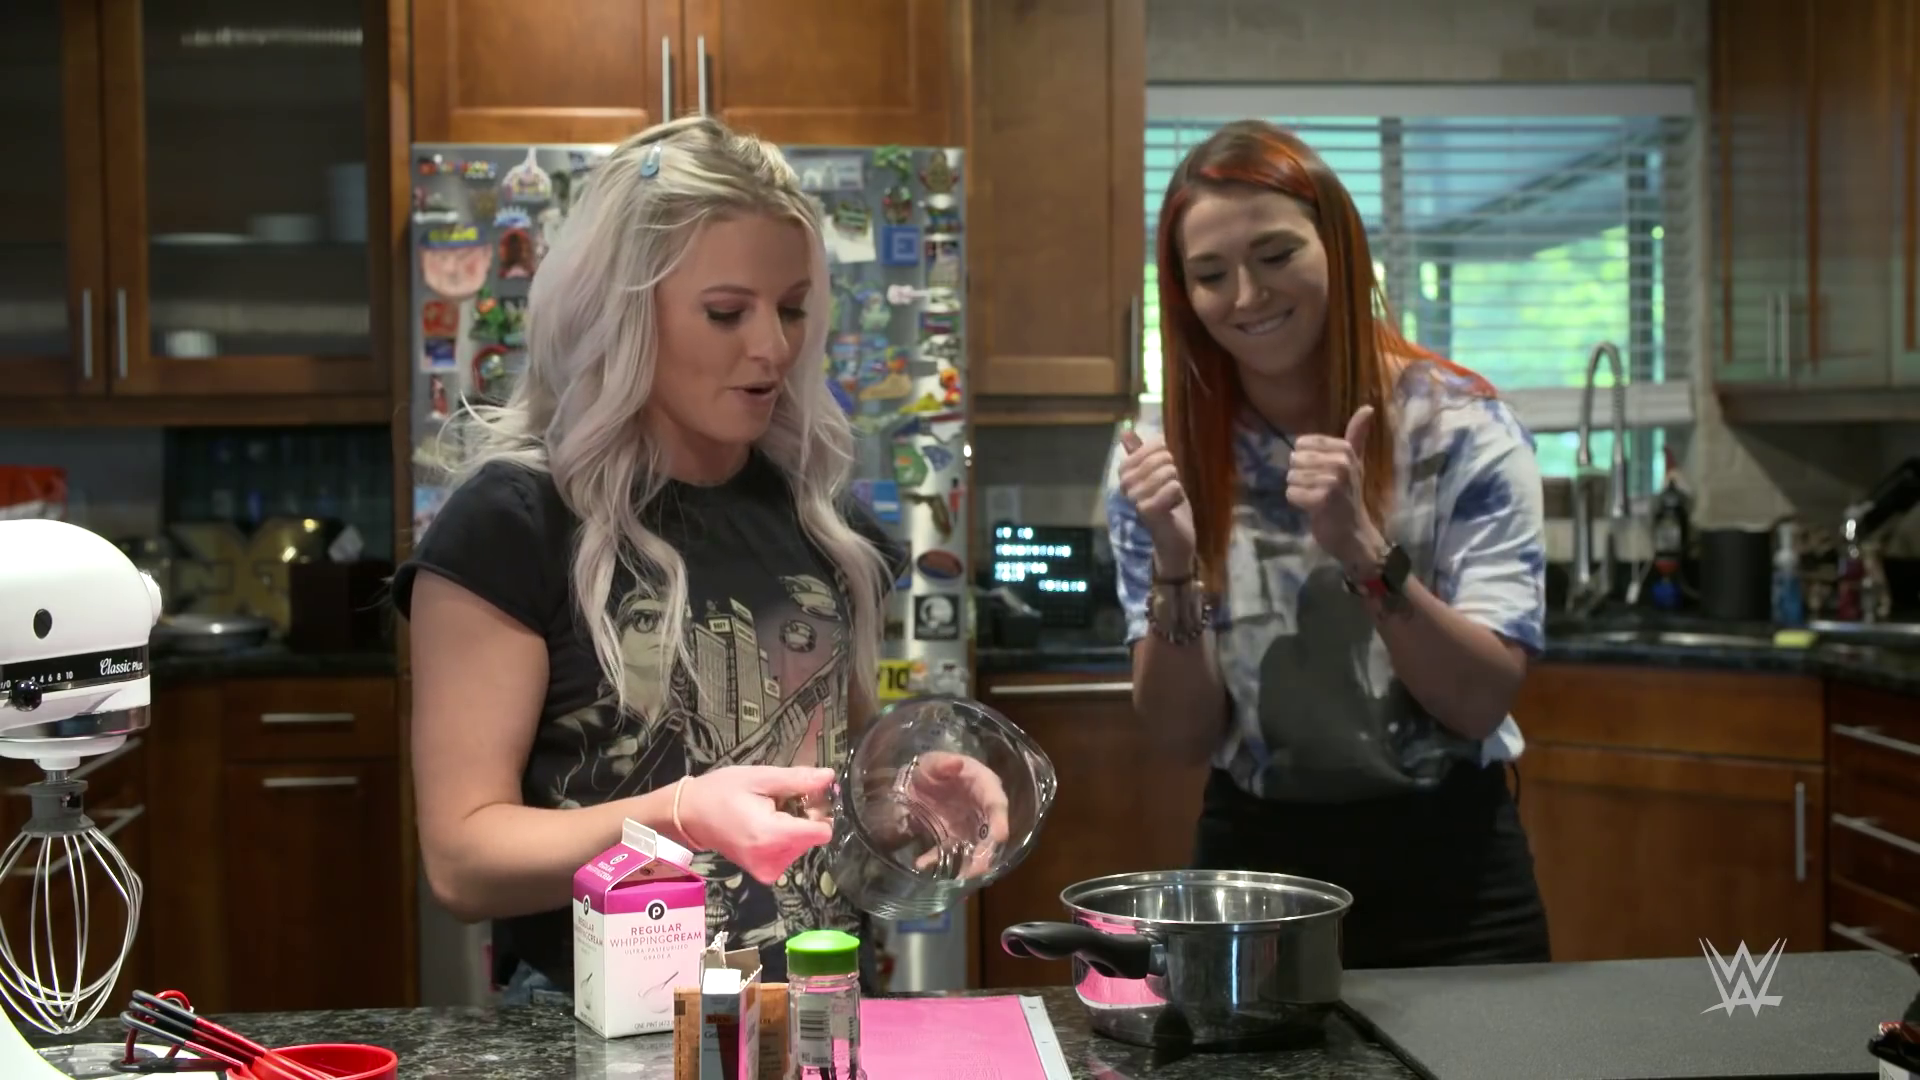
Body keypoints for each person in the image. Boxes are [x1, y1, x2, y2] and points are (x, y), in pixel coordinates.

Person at [392, 116, 911, 1006]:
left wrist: (908, 795)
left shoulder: (823, 520)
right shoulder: (513, 526)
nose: (773, 347)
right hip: (599, 1028)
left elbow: (833, 789)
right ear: (623, 312)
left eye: (791, 308)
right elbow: (463, 859)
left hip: (817, 1013)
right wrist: (678, 815)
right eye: (726, 312)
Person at [1107, 119, 1554, 970]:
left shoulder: (1464, 430)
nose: (1247, 296)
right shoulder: (1161, 460)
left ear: (1339, 251)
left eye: (1276, 255)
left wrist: (1363, 553)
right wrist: (1174, 564)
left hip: (1455, 873)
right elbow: (1180, 736)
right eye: (1211, 275)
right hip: (1253, 871)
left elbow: (1479, 703)